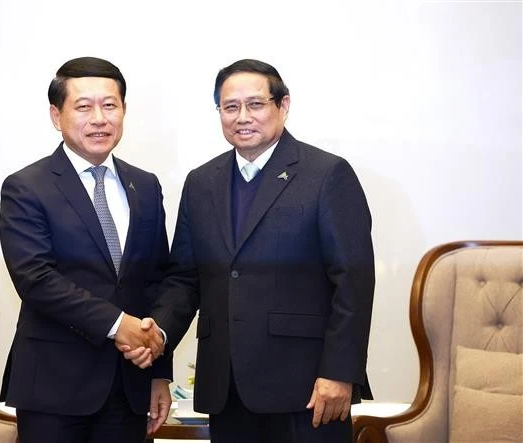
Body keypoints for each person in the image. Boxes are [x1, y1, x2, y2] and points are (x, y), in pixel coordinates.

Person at [125, 59, 375, 442]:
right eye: (230, 107)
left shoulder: (326, 174)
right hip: (227, 388)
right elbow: (185, 278)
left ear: (283, 105)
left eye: (255, 104)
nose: (242, 117)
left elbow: (353, 282)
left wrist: (340, 372)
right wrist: (157, 332)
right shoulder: (201, 182)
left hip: (307, 388)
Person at [0, 56, 172, 443]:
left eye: (110, 105)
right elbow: (36, 279)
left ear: (123, 111)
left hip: (130, 385)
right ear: (56, 116)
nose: (99, 118)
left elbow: (158, 279)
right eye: (83, 106)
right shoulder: (27, 187)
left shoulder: (144, 186)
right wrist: (118, 325)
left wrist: (160, 370)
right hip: (54, 386)